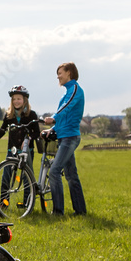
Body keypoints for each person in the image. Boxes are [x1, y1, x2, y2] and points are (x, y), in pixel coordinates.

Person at [0, 86, 41, 204]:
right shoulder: (9, 115)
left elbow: (37, 133)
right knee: (6, 176)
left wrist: (29, 138)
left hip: (27, 151)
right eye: (14, 99)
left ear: (24, 100)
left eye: (19, 99)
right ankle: (3, 204)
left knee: (26, 178)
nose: (16, 101)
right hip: (12, 150)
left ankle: (27, 203)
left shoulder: (31, 115)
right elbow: (2, 131)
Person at [43, 62, 87, 216]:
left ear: (69, 72)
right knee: (71, 175)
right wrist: (53, 129)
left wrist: (53, 118)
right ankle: (80, 211)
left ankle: (57, 211)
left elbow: (66, 107)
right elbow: (66, 116)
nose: (58, 77)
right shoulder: (67, 92)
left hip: (70, 137)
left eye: (60, 73)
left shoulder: (75, 89)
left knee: (54, 171)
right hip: (64, 136)